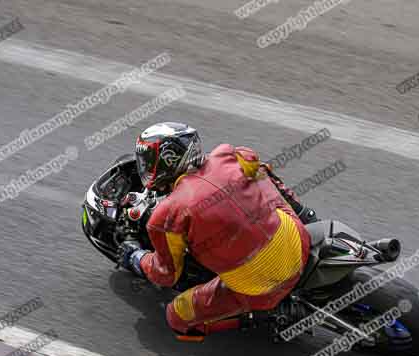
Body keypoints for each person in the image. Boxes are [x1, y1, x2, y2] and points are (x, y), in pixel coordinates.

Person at [119, 122, 312, 338]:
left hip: (261, 288)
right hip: (299, 240)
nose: (145, 166)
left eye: (148, 160)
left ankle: (266, 314)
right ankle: (305, 214)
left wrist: (136, 257)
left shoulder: (165, 215)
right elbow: (254, 163)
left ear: (167, 160)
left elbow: (166, 275)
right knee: (259, 172)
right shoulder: (227, 154)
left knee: (176, 316)